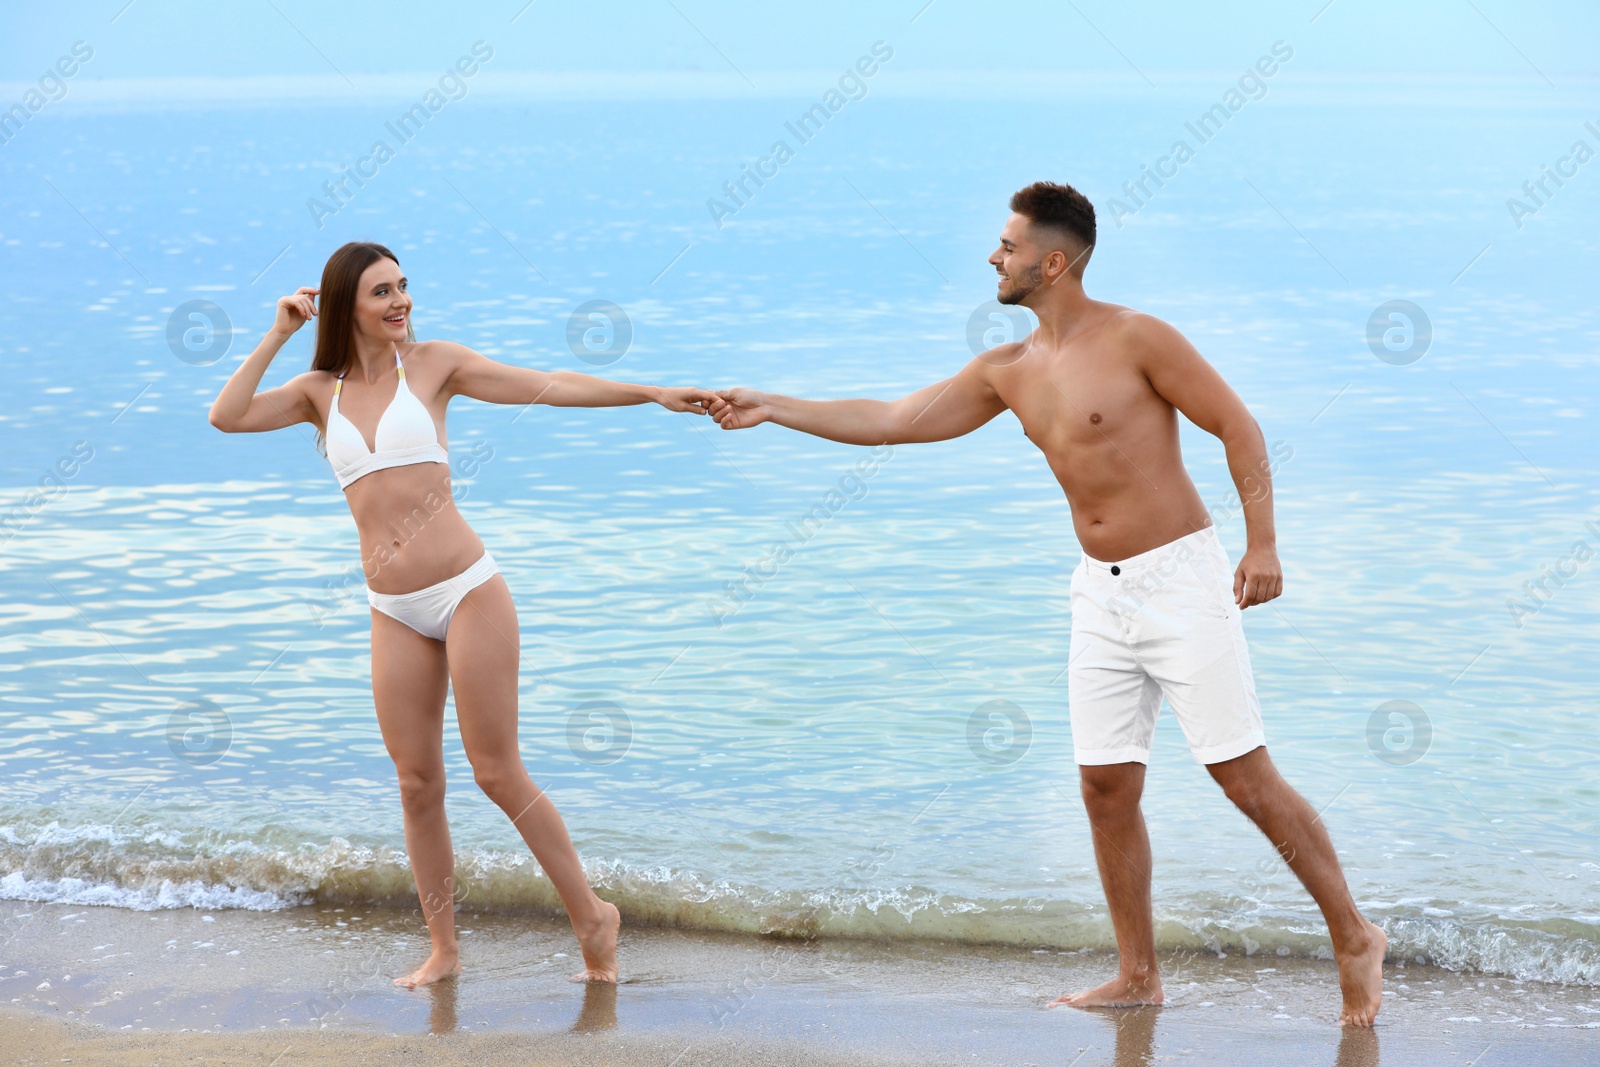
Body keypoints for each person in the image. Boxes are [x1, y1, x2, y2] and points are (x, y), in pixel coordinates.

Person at [707, 182, 1387, 1026]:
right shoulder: (1008, 369)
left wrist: (1264, 543)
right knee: (1105, 787)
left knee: (1242, 776)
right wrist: (773, 408)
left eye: (1008, 245)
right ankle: (1138, 974)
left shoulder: (1138, 338)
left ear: (1052, 261)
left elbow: (1238, 427)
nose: (994, 256)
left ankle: (1355, 934)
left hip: (1182, 577)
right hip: (1098, 594)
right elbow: (892, 419)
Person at [209, 241, 716, 987]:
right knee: (416, 783)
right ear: (347, 302)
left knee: (496, 771)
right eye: (383, 291)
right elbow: (226, 415)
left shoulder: (436, 365)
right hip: (393, 607)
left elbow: (548, 384)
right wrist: (279, 331)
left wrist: (650, 391)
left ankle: (593, 916)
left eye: (405, 286)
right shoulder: (320, 391)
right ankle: (444, 949)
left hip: (468, 590)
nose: (401, 301)